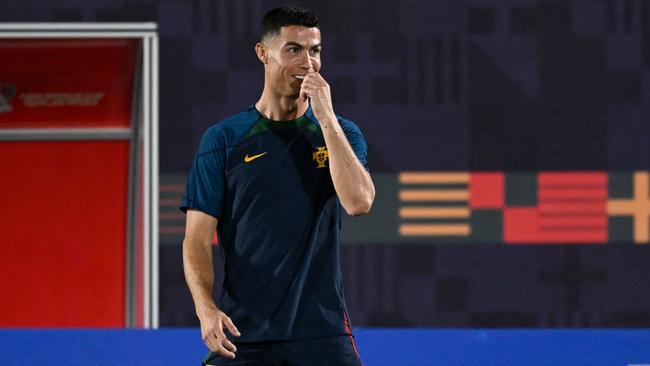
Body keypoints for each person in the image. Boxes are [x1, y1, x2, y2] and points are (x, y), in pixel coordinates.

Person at [181, 5, 375, 365]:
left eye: (314, 51)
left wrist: (326, 116)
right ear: (263, 53)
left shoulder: (342, 133)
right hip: (244, 335)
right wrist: (205, 309)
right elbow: (196, 237)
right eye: (294, 50)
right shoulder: (223, 140)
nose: (308, 63)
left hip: (322, 333)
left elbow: (359, 202)